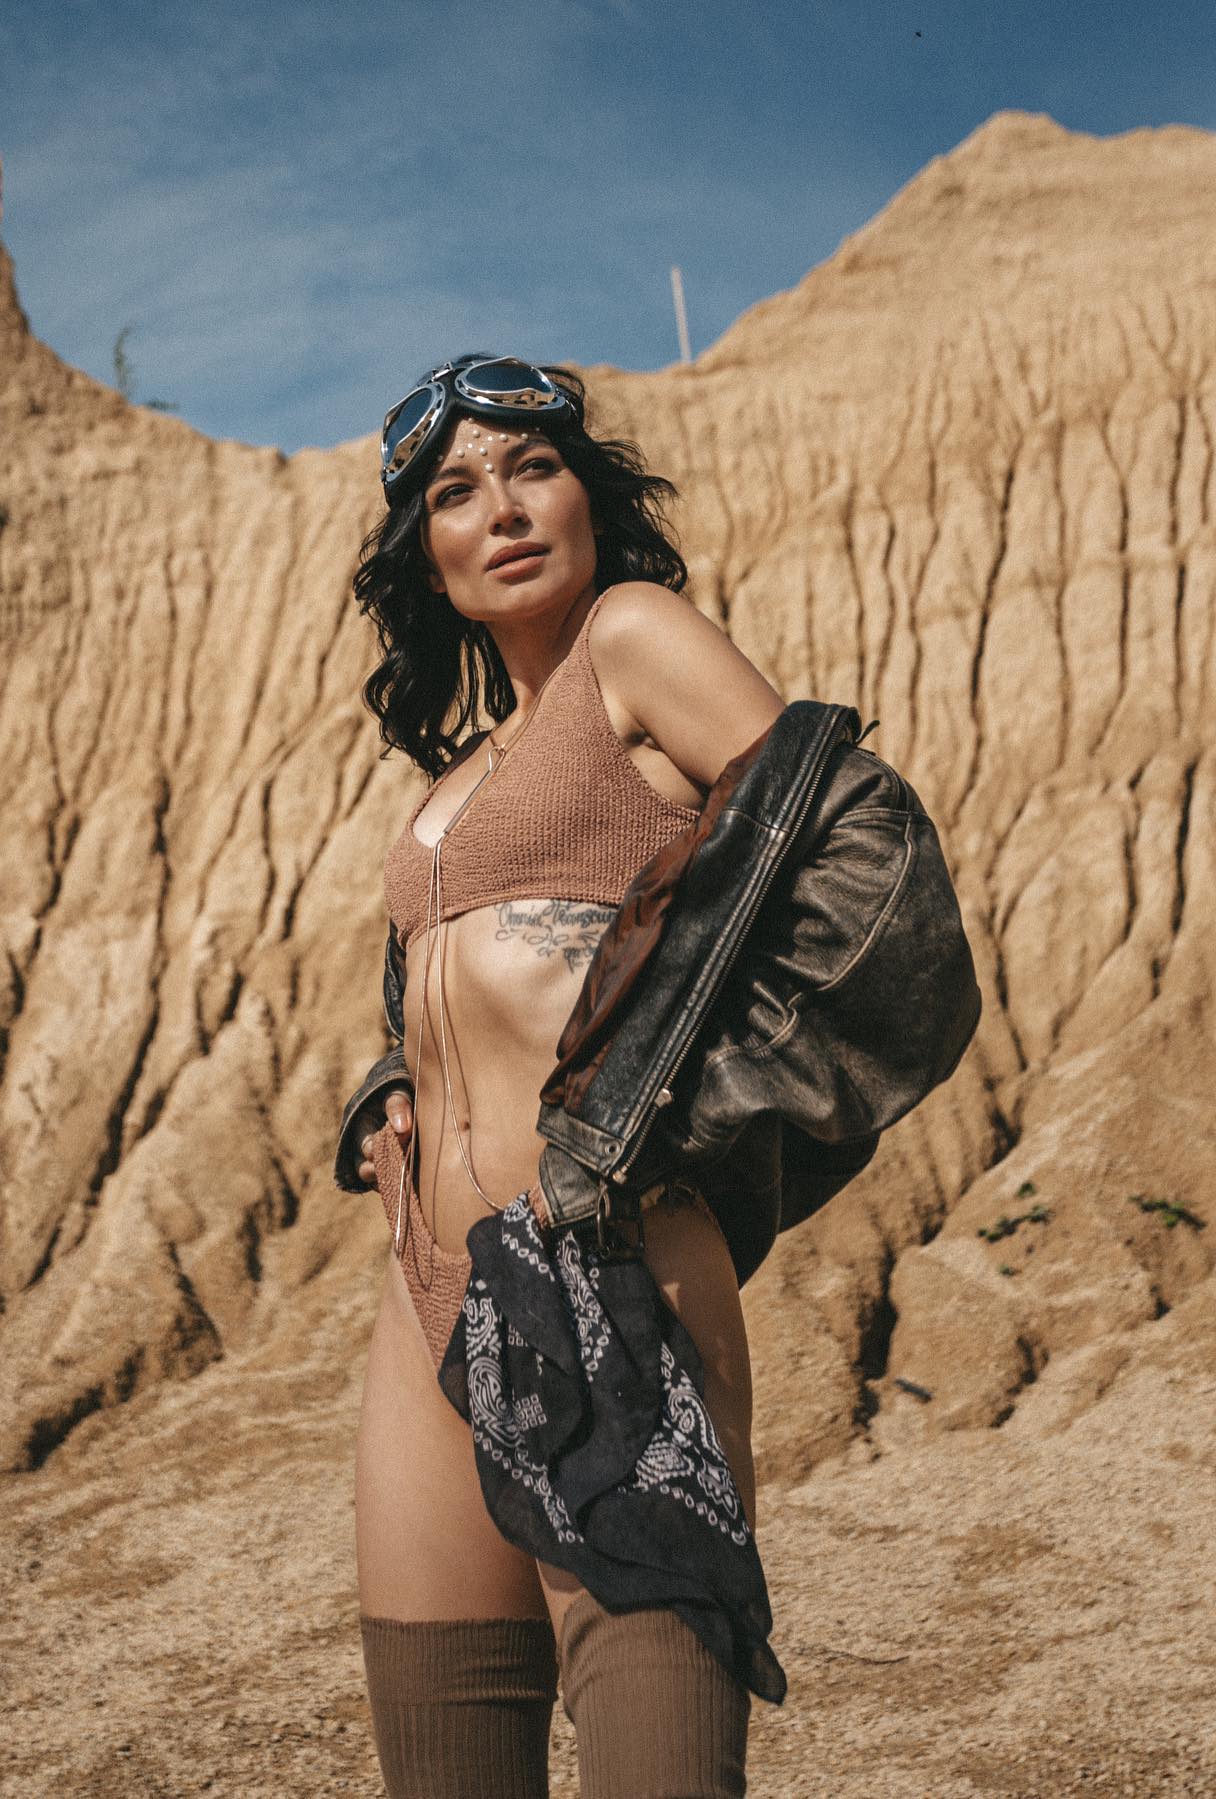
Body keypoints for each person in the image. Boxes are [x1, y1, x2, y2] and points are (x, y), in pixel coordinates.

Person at [335, 355, 980, 1797]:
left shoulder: (632, 641)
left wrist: (671, 1116)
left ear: (591, 496)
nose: (503, 509)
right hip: (427, 1283)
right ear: (427, 560)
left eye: (534, 469)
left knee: (655, 1755)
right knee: (443, 1753)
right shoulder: (456, 776)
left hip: (606, 1266)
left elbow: (867, 861)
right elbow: (481, 981)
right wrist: (396, 1084)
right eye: (455, 493)